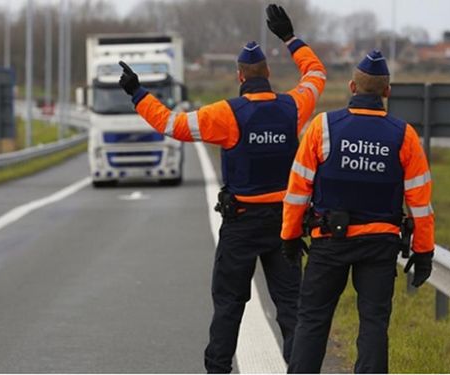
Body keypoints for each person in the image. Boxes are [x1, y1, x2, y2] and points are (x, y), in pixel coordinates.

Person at [118, 4, 326, 373]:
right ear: (268, 73)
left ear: (240, 77)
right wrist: (291, 38)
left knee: (229, 304)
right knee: (292, 306)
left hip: (241, 224)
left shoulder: (226, 114)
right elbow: (316, 74)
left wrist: (137, 93)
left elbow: (172, 124)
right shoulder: (293, 106)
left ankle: (218, 369)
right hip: (285, 225)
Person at [280, 50, 435, 373]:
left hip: (328, 244)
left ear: (352, 87)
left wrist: (290, 237)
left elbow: (297, 192)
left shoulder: (323, 126)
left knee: (312, 320)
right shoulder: (404, 135)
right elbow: (419, 203)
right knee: (374, 324)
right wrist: (424, 252)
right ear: (387, 92)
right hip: (380, 246)